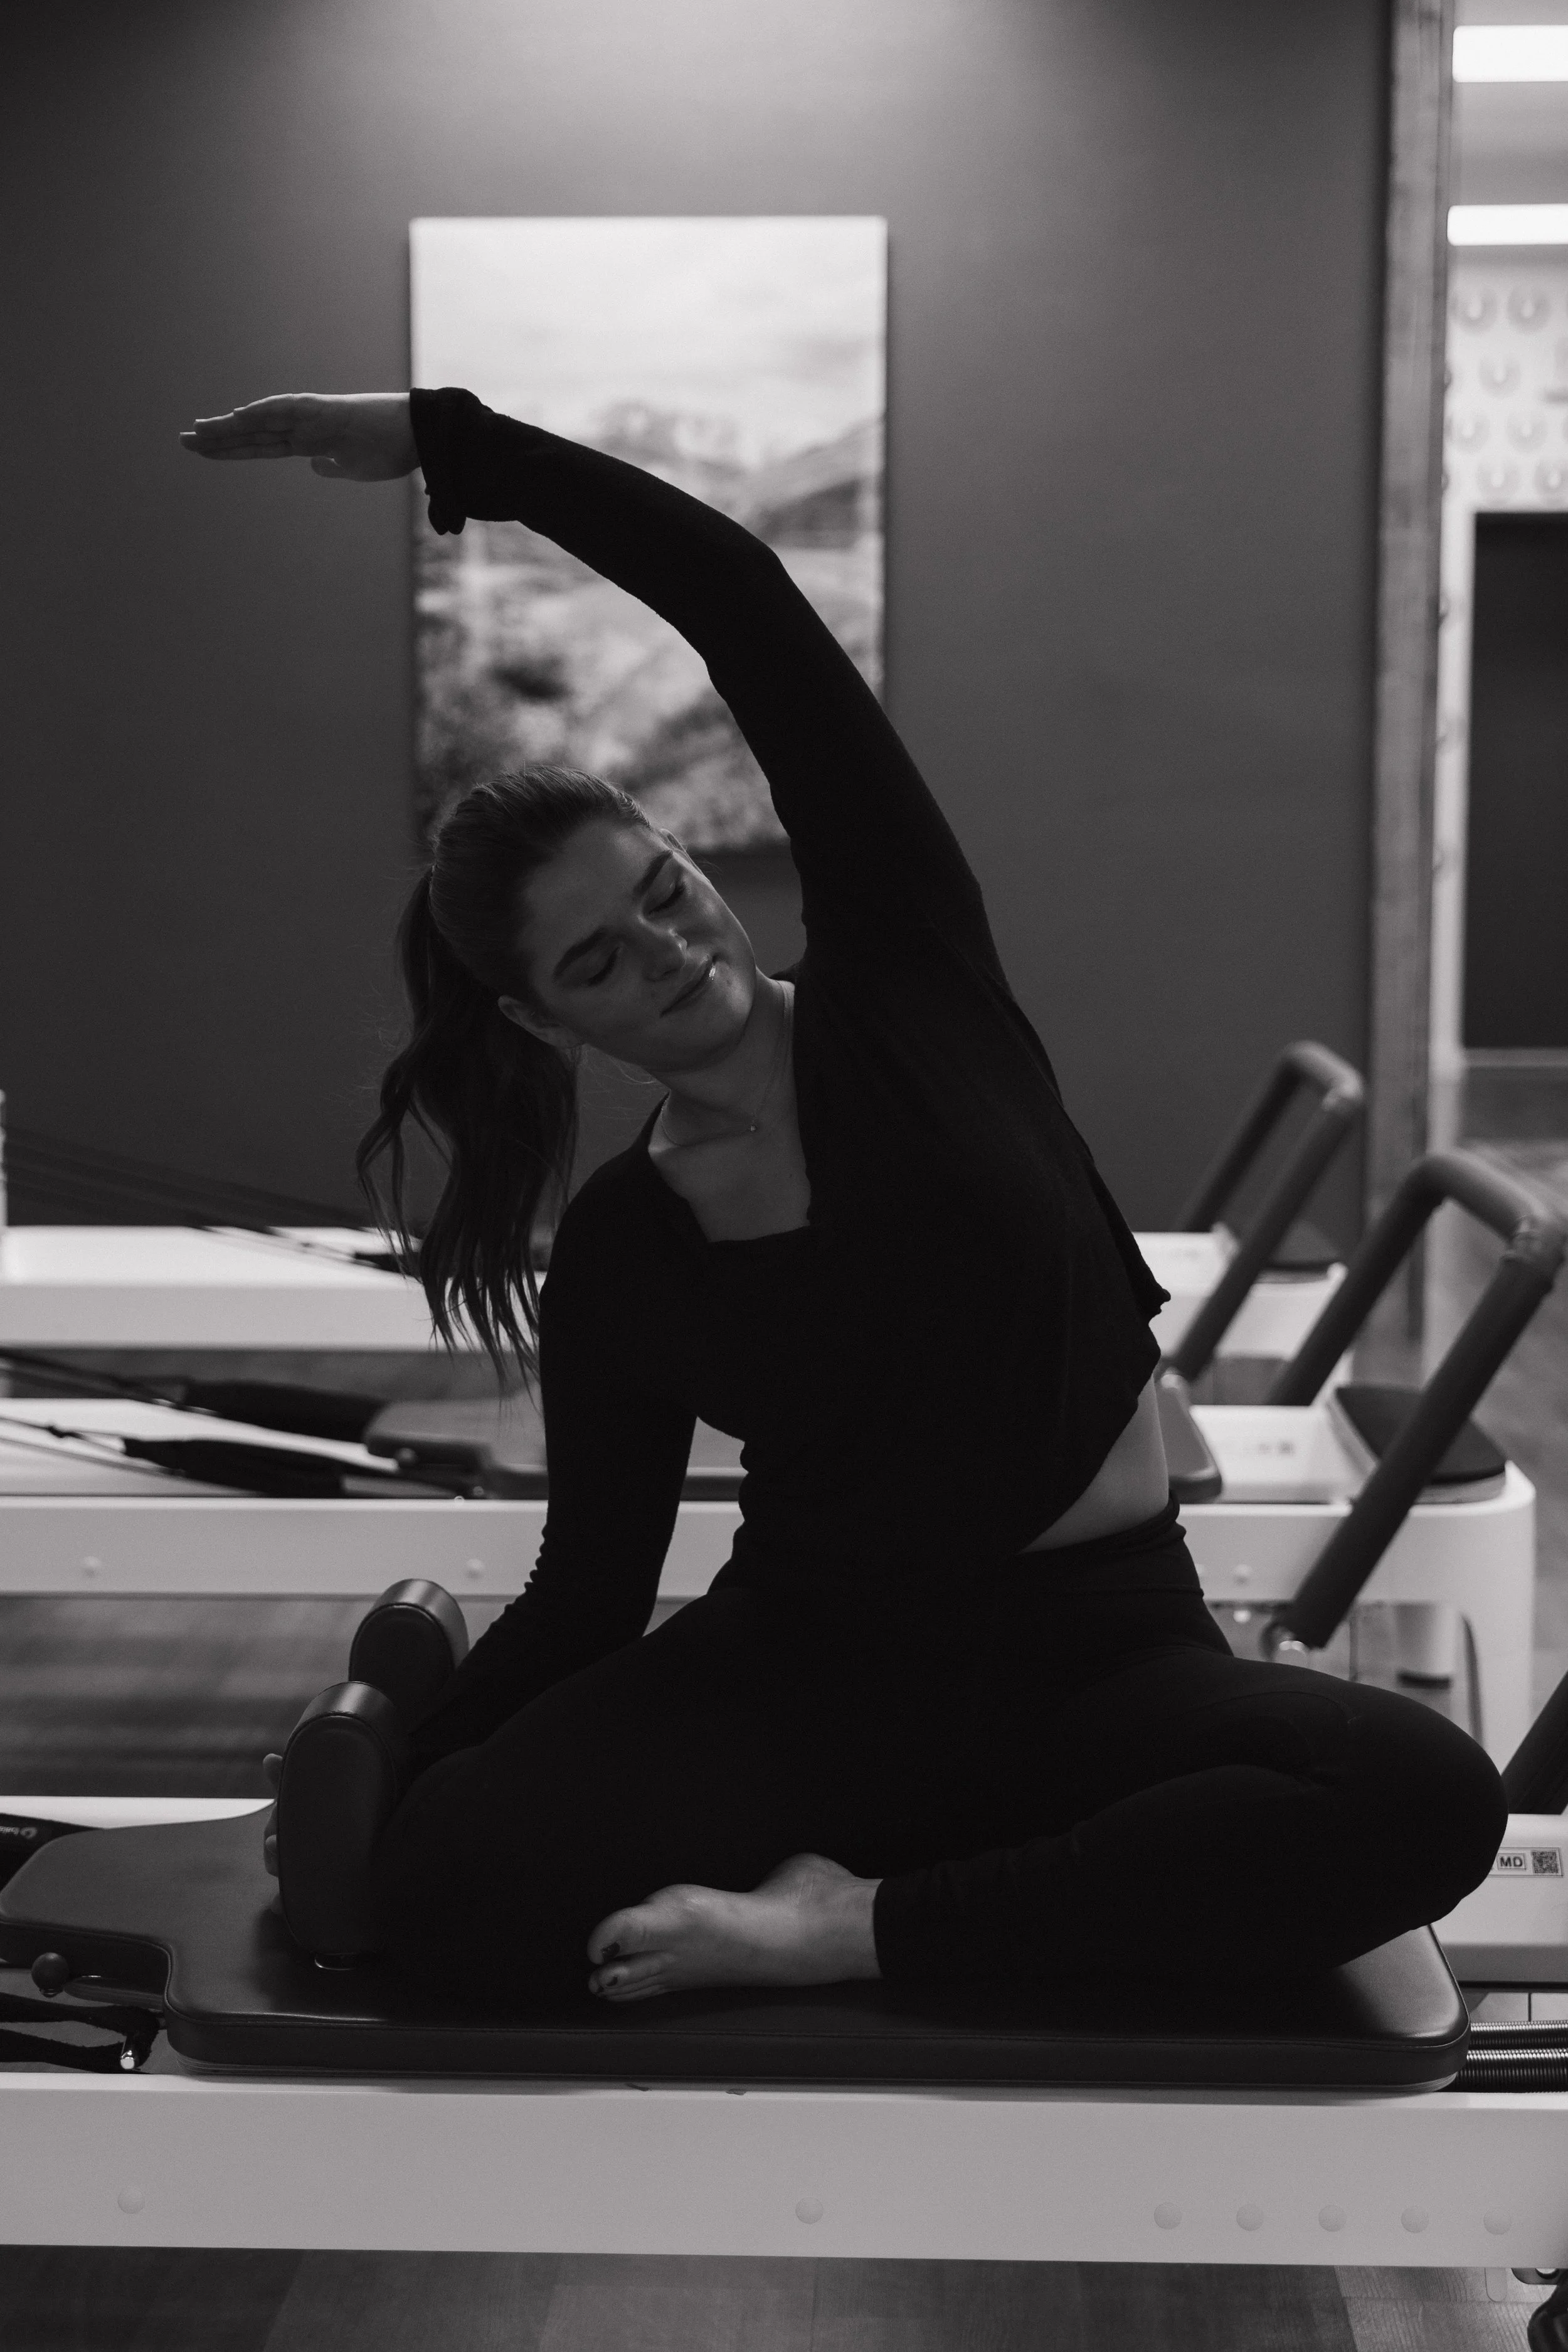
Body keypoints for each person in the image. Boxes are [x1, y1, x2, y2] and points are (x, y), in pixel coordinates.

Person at [182, 388, 1505, 2013]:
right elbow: (592, 1592)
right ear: (541, 1019)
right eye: (598, 959)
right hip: (821, 1675)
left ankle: (842, 1925)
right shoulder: (626, 1249)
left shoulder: (909, 977)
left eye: (663, 891)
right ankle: (906, 1872)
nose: (669, 953)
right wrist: (391, 1779)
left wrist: (456, 446)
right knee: (447, 1890)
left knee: (1429, 1801)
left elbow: (739, 594)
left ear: (689, 860)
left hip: (1109, 1648)